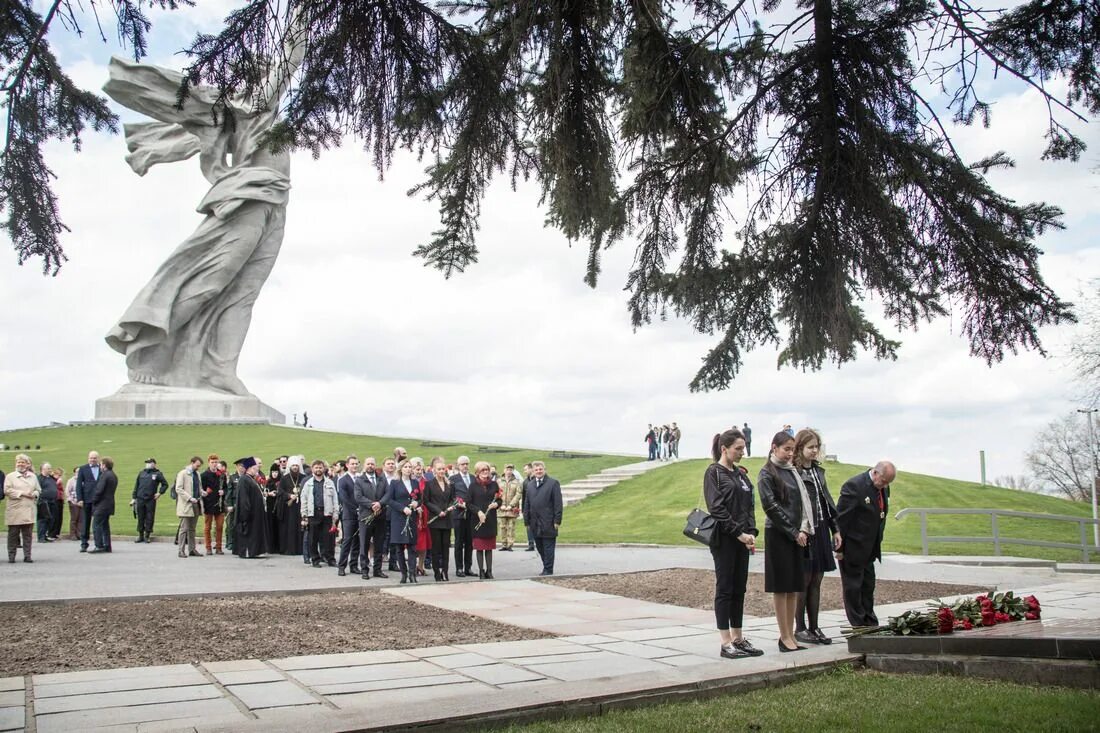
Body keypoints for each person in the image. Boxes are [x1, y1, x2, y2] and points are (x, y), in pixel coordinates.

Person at [704, 429, 763, 659]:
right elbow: (716, 507)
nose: (742, 452)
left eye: (744, 447)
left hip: (742, 539)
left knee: (740, 588)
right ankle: (725, 640)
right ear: (724, 448)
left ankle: (739, 637)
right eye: (738, 448)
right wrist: (738, 533)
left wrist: (750, 532)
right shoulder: (714, 473)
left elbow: (749, 506)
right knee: (725, 588)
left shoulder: (741, 474)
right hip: (725, 539)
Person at [758, 431, 814, 653]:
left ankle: (790, 635)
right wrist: (793, 531)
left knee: (793, 588)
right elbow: (771, 507)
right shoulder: (767, 473)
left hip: (796, 535)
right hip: (780, 535)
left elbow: (800, 503)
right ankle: (784, 636)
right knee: (781, 588)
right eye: (786, 449)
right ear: (774, 448)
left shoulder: (792, 472)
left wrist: (802, 529)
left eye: (792, 449)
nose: (790, 453)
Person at [793, 429, 841, 645]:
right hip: (806, 530)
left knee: (817, 580)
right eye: (810, 447)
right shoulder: (794, 472)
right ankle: (800, 627)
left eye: (816, 447)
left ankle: (814, 626)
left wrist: (836, 528)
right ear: (800, 448)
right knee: (804, 579)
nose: (814, 451)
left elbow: (827, 501)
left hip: (821, 528)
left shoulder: (818, 472)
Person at [836, 460, 897, 627]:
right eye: (883, 481)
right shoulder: (854, 486)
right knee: (853, 588)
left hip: (870, 548)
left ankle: (870, 620)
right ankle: (858, 623)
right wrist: (839, 549)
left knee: (868, 586)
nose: (884, 486)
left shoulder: (883, 488)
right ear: (875, 473)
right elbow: (841, 519)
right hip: (853, 547)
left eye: (888, 483)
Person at [385, 459, 420, 583]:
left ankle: (412, 574)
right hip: (399, 518)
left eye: (410, 467)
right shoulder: (395, 483)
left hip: (411, 518)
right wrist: (402, 508)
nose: (408, 469)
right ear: (401, 469)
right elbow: (390, 500)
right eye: (406, 467)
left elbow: (419, 498)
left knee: (412, 547)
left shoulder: (415, 483)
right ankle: (404, 574)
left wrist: (417, 503)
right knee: (399, 547)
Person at [524, 461, 563, 576]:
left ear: (544, 469)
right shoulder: (530, 485)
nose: (538, 471)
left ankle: (548, 569)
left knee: (548, 547)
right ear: (533, 471)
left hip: (548, 521)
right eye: (536, 470)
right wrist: (527, 520)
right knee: (540, 547)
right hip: (534, 522)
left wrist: (557, 520)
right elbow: (527, 504)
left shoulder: (553, 483)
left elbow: (558, 503)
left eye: (540, 469)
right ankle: (546, 566)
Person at [354, 456, 389, 579]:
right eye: (368, 464)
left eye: (372, 464)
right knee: (364, 544)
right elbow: (358, 497)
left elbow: (388, 494)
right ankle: (364, 569)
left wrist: (380, 503)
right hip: (366, 517)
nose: (370, 466)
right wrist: (371, 504)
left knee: (379, 544)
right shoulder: (359, 480)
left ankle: (377, 570)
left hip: (380, 516)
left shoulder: (382, 479)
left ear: (375, 465)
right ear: (364, 465)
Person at [300, 459, 338, 567]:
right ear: (312, 469)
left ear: (324, 469)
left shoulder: (330, 483)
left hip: (327, 513)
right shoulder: (308, 484)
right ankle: (315, 559)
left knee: (329, 538)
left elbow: (335, 499)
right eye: (316, 467)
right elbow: (304, 500)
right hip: (313, 513)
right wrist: (304, 515)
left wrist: (335, 513)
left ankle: (330, 558)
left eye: (320, 467)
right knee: (313, 538)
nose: (318, 469)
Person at [232, 456, 269, 558]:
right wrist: (245, 514)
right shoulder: (244, 480)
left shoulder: (251, 479)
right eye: (255, 467)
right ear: (249, 468)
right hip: (250, 514)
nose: (257, 469)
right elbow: (244, 500)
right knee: (249, 534)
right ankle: (248, 551)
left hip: (255, 514)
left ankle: (255, 551)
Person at [469, 461, 501, 579]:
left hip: (490, 519)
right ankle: (481, 571)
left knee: (488, 548)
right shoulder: (473, 486)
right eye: (483, 470)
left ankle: (489, 570)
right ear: (477, 472)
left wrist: (496, 504)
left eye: (487, 470)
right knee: (480, 547)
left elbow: (499, 499)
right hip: (478, 520)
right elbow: (469, 503)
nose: (485, 472)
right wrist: (478, 512)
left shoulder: (494, 484)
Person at [424, 457, 454, 581]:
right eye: (439, 469)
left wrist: (450, 507)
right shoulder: (429, 484)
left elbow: (453, 498)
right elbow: (426, 501)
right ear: (434, 471)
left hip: (447, 520)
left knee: (445, 547)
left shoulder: (449, 484)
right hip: (436, 520)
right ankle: (437, 572)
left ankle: (445, 571)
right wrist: (438, 511)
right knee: (436, 547)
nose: (441, 471)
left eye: (443, 469)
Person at [5, 454, 40, 563]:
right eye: (18, 462)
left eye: (23, 462)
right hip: (15, 509)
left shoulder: (33, 476)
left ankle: (27, 556)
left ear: (27, 464)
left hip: (28, 508)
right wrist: (23, 493)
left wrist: (34, 493)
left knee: (27, 535)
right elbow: (7, 490)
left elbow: (38, 489)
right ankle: (11, 556)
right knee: (13, 534)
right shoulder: (10, 476)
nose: (20, 464)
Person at [131, 458, 168, 542]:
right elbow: (136, 486)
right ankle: (140, 535)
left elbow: (165, 484)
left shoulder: (157, 474)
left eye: (149, 463)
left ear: (154, 464)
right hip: (140, 498)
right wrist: (134, 498)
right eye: (147, 463)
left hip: (150, 499)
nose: (147, 464)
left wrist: (159, 493)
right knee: (140, 517)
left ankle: (147, 535)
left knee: (149, 517)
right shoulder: (141, 473)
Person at [448, 455, 475, 577]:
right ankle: (459, 568)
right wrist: (459, 503)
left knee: (470, 542)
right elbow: (451, 496)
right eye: (463, 464)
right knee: (459, 542)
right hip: (459, 514)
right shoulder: (453, 479)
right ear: (458, 466)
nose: (465, 466)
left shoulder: (473, 478)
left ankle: (468, 567)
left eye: (467, 464)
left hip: (471, 514)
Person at [336, 455, 361, 577]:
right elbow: (344, 498)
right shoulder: (343, 480)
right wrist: (355, 508)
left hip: (361, 514)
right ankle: (342, 566)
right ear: (347, 465)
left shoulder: (360, 478)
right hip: (349, 514)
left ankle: (354, 565)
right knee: (347, 540)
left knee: (357, 541)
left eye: (356, 464)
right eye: (352, 464)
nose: (355, 466)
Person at [175, 456, 204, 558]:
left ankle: (192, 549)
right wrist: (189, 498)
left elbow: (198, 487)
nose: (198, 467)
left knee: (192, 528)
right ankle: (181, 550)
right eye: (197, 465)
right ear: (192, 463)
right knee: (184, 528)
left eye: (199, 466)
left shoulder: (197, 474)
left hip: (196, 503)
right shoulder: (182, 473)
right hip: (187, 504)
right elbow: (178, 489)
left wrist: (202, 492)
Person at [276, 460, 305, 558]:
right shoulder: (285, 478)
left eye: (297, 465)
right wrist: (289, 495)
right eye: (293, 465)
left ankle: (300, 549)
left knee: (300, 527)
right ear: (290, 466)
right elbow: (280, 492)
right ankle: (289, 549)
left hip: (300, 507)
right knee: (290, 528)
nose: (295, 467)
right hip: (289, 508)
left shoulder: (303, 478)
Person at [89, 457, 118, 553]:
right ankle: (107, 545)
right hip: (109, 503)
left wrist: (94, 500)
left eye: (101, 464)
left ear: (104, 465)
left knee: (96, 525)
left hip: (102, 504)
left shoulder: (104, 475)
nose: (100, 466)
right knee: (105, 525)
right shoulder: (113, 475)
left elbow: (99, 490)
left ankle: (99, 545)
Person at [200, 454, 227, 555]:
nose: (214, 464)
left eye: (216, 462)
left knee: (219, 526)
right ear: (209, 463)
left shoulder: (222, 475)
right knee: (208, 527)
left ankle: (219, 547)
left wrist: (223, 492)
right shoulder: (204, 475)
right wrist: (205, 493)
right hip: (208, 504)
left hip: (219, 504)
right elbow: (201, 490)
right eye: (212, 462)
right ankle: (208, 547)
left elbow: (226, 488)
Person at [75, 451, 101, 552]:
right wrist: (80, 498)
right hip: (87, 499)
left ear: (98, 458)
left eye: (94, 458)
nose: (93, 460)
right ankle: (84, 543)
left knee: (98, 522)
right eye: (91, 458)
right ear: (88, 458)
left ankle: (99, 543)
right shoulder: (83, 469)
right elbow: (78, 485)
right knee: (85, 522)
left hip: (98, 500)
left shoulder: (102, 468)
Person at [497, 464, 523, 551]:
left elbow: (518, 494)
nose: (509, 471)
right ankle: (504, 544)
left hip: (512, 509)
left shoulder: (517, 482)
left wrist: (511, 505)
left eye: (511, 470)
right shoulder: (499, 481)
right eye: (507, 469)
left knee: (511, 527)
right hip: (501, 509)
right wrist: (502, 504)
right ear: (504, 470)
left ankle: (510, 545)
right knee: (502, 527)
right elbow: (496, 494)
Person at [36, 462, 59, 543]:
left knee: (50, 519)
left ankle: (46, 535)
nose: (50, 470)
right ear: (43, 469)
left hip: (52, 501)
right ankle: (40, 536)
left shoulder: (51, 478)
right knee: (42, 519)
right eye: (48, 468)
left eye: (50, 468)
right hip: (43, 502)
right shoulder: (39, 478)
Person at [521, 463, 536, 551]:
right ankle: (531, 544)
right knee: (528, 526)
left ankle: (538, 542)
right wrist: (523, 509)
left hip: (537, 508)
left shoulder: (537, 480)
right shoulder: (525, 482)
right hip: (527, 508)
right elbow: (524, 497)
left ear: (531, 469)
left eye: (526, 469)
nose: (525, 471)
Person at [65, 467, 81, 540]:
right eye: (77, 472)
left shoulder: (83, 480)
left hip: (81, 502)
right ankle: (72, 534)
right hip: (73, 502)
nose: (78, 473)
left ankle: (79, 533)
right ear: (74, 472)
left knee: (81, 519)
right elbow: (67, 491)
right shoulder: (71, 481)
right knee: (74, 518)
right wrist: (71, 500)